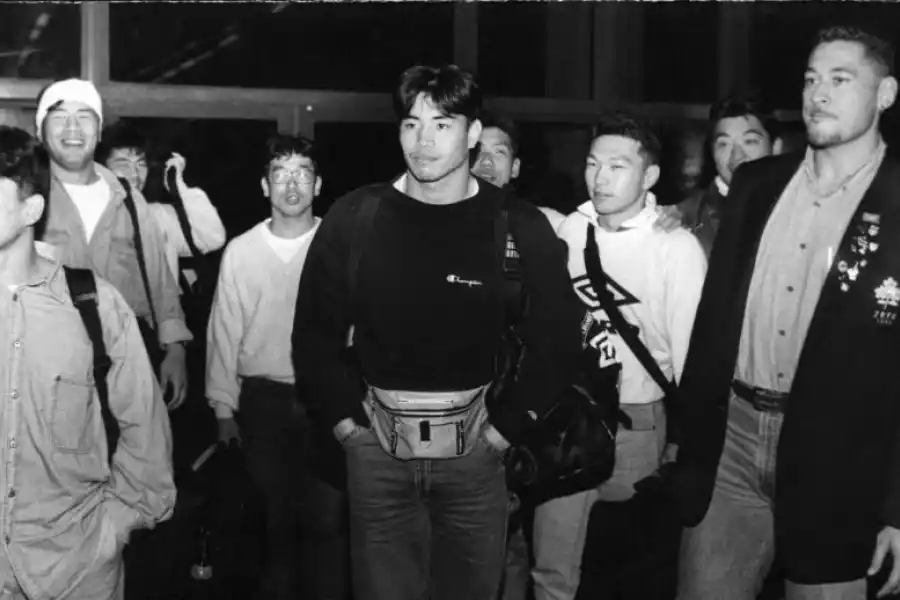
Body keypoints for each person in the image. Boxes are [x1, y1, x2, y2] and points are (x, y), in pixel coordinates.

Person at [292, 64, 583, 600]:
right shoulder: (356, 217)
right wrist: (346, 428)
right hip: (376, 454)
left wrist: (506, 430)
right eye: (411, 124)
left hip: (476, 459)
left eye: (442, 124)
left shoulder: (517, 225)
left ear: (473, 134)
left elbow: (559, 341)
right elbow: (313, 336)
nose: (422, 141)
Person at [675, 25, 900, 600]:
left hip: (843, 458)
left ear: (886, 95)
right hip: (731, 444)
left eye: (841, 80)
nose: (818, 93)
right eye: (810, 79)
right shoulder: (755, 185)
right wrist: (689, 437)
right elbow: (713, 323)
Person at [532, 111, 707, 600]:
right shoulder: (571, 229)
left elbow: (693, 361)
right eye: (592, 164)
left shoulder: (675, 247)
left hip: (638, 422)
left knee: (627, 568)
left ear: (648, 175)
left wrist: (685, 443)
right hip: (566, 416)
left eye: (617, 166)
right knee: (552, 568)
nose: (600, 177)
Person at [0, 126, 174, 600]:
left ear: (31, 209)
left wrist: (120, 521)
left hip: (76, 565)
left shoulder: (93, 302)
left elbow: (143, 418)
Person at [206, 134, 347, 600]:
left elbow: (359, 329)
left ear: (318, 183)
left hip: (326, 402)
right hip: (263, 403)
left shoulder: (338, 246)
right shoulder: (241, 252)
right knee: (273, 529)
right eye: (280, 174)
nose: (292, 184)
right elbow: (223, 334)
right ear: (265, 186)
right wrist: (223, 411)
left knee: (327, 525)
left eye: (302, 172)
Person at [34, 78, 191, 410]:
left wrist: (175, 348)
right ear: (40, 131)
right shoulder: (25, 196)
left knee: (140, 458)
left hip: (129, 364)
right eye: (60, 116)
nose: (73, 127)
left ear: (100, 130)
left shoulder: (130, 198)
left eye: (85, 116)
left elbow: (160, 279)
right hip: (48, 370)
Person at [98, 121, 226, 292]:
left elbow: (213, 238)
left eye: (141, 164)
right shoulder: (85, 220)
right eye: (123, 164)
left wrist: (180, 186)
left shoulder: (160, 216)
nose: (135, 174)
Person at [678, 95, 783, 256]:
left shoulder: (804, 210)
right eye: (724, 144)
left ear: (776, 147)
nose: (736, 156)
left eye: (750, 141)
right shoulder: (684, 219)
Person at [472, 111, 567, 231]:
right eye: (478, 150)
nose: (486, 161)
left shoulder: (547, 224)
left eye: (499, 152)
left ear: (514, 168)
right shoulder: (443, 223)